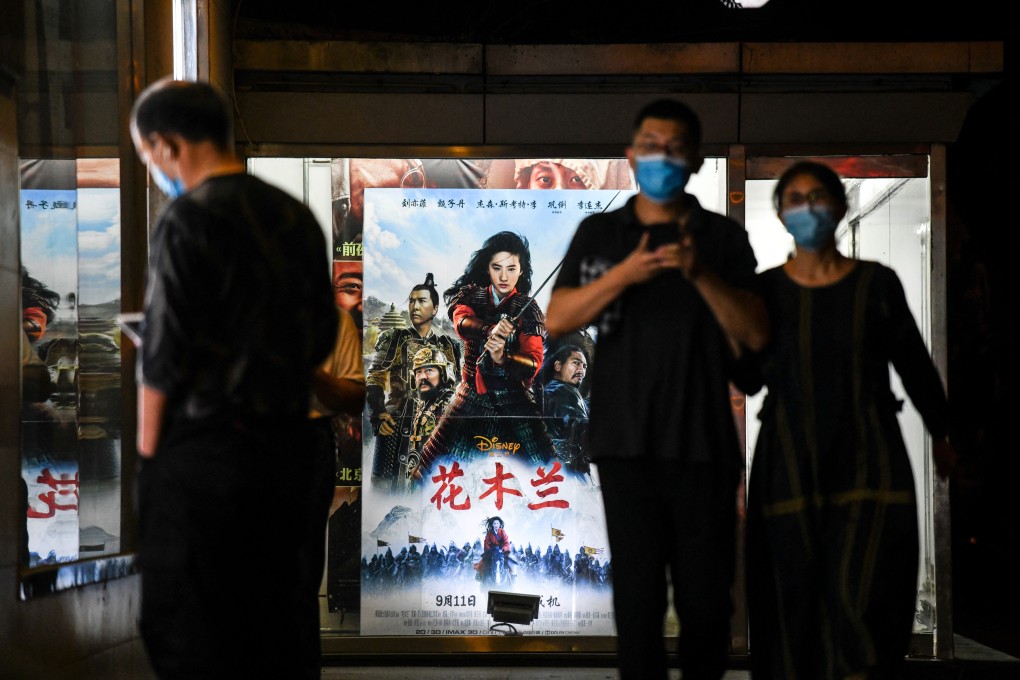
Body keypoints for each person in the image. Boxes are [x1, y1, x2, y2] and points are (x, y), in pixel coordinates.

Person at [544, 98, 769, 680]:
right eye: (649, 146)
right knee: (636, 607)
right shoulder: (602, 233)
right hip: (625, 446)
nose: (660, 158)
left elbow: (755, 333)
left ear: (694, 160)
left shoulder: (720, 238)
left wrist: (697, 272)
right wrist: (627, 272)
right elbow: (558, 317)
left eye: (673, 149)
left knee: (706, 608)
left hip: (704, 449)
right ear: (629, 154)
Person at [130, 77, 337, 680]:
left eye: (146, 157)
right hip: (286, 453)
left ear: (167, 145)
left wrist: (150, 466)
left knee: (195, 634)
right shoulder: (295, 218)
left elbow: (162, 361)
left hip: (205, 461)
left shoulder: (186, 219)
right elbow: (320, 335)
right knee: (274, 626)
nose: (153, 169)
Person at [740, 160, 958, 680]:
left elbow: (914, 364)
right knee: (792, 589)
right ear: (780, 214)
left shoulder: (876, 284)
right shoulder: (766, 293)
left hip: (868, 459)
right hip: (790, 459)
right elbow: (748, 377)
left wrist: (942, 432)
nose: (808, 208)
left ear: (839, 208)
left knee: (865, 587)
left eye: (819, 197)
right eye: (795, 199)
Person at [410, 231, 557, 482]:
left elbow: (534, 361)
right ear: (487, 268)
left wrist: (503, 358)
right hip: (470, 395)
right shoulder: (471, 296)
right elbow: (461, 321)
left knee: (544, 472)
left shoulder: (529, 309)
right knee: (428, 469)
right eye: (497, 267)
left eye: (511, 269)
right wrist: (489, 329)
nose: (504, 276)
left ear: (521, 271)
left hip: (514, 400)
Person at [302, 305, 365, 674]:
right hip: (234, 442)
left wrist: (305, 369)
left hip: (305, 441)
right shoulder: (228, 306)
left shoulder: (328, 317)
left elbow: (354, 395)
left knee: (301, 571)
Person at [366, 273, 461, 492]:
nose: (414, 306)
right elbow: (376, 376)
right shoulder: (394, 338)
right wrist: (379, 412)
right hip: (396, 420)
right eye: (411, 301)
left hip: (436, 422)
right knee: (384, 485)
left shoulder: (449, 345)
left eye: (421, 301)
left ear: (435, 308)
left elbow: (456, 385)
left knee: (433, 483)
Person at [399, 346, 457, 493]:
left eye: (429, 370)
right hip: (417, 479)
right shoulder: (423, 403)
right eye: (419, 371)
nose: (422, 376)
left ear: (442, 374)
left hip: (440, 482)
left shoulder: (450, 402)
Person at [540, 344, 592, 481]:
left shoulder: (557, 389)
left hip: (559, 468)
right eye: (576, 363)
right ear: (558, 366)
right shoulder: (562, 392)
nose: (581, 370)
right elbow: (580, 427)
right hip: (569, 470)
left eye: (584, 366)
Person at [475, 515, 514, 587]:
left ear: (500, 524)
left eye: (497, 523)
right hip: (492, 551)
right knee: (484, 562)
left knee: (511, 563)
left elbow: (506, 542)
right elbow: (486, 542)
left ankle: (512, 580)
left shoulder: (502, 532)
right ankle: (482, 580)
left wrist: (504, 549)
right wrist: (488, 551)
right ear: (492, 525)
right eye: (494, 523)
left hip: (502, 551)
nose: (496, 525)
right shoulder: (489, 533)